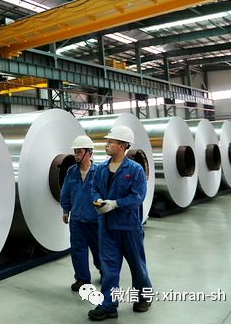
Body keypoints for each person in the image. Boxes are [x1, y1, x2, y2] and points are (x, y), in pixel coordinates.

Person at [88, 125, 152, 321]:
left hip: (128, 227)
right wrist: (98, 201)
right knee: (109, 268)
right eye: (107, 142)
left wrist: (115, 204)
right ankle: (108, 305)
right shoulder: (100, 169)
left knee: (137, 265)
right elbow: (94, 189)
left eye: (110, 142)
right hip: (106, 227)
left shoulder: (135, 169)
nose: (106, 145)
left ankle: (143, 296)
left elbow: (138, 197)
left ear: (122, 145)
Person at [60, 135, 101, 292]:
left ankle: (104, 270)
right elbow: (66, 192)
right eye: (75, 152)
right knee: (78, 250)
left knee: (98, 249)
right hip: (76, 219)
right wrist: (66, 209)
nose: (76, 155)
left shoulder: (99, 172)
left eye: (79, 152)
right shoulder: (71, 172)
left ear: (89, 153)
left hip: (94, 219)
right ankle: (82, 279)